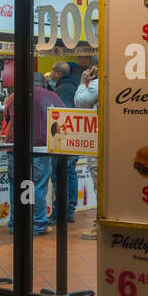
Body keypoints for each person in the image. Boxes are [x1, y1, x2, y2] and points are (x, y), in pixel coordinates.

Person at [7, 70, 64, 236]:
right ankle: (37, 224)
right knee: (37, 186)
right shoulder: (53, 97)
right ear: (43, 82)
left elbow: (7, 120)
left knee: (17, 187)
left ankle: (15, 224)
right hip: (40, 148)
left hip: (15, 148)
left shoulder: (12, 97)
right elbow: (62, 121)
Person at [49, 61, 80, 223]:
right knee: (71, 174)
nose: (50, 75)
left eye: (52, 72)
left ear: (58, 73)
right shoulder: (74, 85)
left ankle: (61, 212)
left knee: (60, 175)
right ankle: (69, 210)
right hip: (75, 139)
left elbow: (62, 115)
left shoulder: (63, 89)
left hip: (65, 140)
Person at [75, 59, 99, 239]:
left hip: (99, 138)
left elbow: (81, 103)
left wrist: (83, 83)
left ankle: (99, 226)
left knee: (100, 181)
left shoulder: (98, 83)